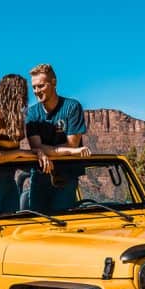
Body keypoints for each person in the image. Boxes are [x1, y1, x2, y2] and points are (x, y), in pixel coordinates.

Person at [0, 74, 50, 216]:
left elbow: (12, 153)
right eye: (22, 92)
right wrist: (22, 153)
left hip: (8, 177)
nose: (25, 97)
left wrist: (36, 153)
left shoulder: (15, 119)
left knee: (12, 219)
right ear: (12, 93)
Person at [24, 63, 91, 212]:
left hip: (67, 174)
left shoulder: (72, 107)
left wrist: (47, 150)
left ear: (54, 82)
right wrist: (67, 151)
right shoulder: (32, 113)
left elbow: (72, 145)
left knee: (62, 219)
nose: (36, 91)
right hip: (41, 173)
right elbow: (36, 147)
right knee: (37, 220)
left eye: (41, 86)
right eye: (34, 87)